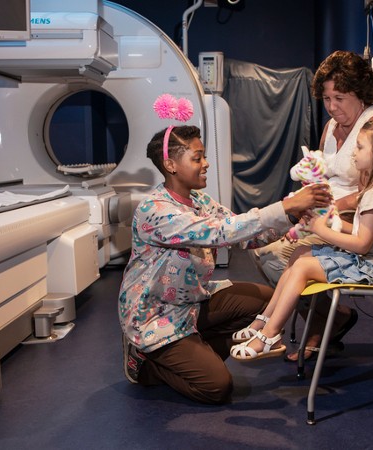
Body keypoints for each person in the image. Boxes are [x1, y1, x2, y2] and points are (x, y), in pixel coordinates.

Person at [119, 124, 331, 404]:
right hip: (157, 316)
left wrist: (292, 217)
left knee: (266, 301)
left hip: (192, 302)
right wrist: (285, 206)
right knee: (216, 387)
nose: (206, 163)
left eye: (203, 156)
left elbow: (246, 236)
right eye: (197, 158)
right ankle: (145, 363)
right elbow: (221, 231)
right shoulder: (154, 210)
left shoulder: (200, 201)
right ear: (171, 165)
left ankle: (194, 350)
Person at [230, 119, 373, 361]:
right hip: (367, 261)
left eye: (359, 147)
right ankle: (264, 320)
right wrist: (325, 224)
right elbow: (359, 232)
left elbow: (362, 244)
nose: (353, 153)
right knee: (298, 255)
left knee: (303, 266)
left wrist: (320, 229)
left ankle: (271, 334)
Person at [252, 50, 373, 361]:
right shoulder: (330, 127)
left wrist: (336, 205)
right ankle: (333, 315)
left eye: (340, 97)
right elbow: (321, 173)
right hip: (322, 217)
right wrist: (307, 201)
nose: (332, 107)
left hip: (349, 223)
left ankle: (319, 322)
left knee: (277, 258)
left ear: (361, 91)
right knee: (261, 250)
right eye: (327, 99)